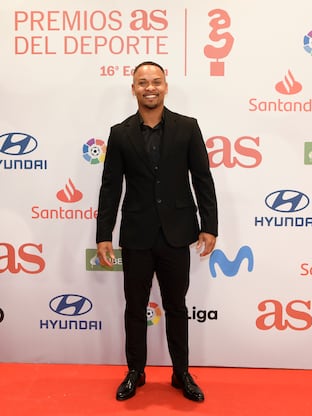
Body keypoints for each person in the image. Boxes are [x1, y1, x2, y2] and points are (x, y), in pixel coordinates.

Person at [96, 61, 218, 402]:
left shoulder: (188, 127)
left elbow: (202, 179)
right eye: (142, 82)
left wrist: (209, 225)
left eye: (156, 81)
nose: (150, 87)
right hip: (136, 234)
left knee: (176, 305)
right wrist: (103, 233)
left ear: (166, 86)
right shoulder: (120, 133)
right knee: (135, 307)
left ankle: (181, 373)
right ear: (133, 89)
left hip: (177, 233)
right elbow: (110, 187)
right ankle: (136, 371)